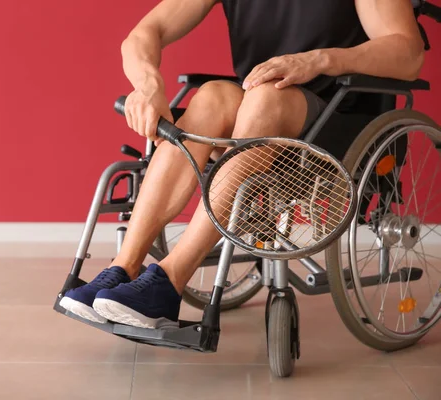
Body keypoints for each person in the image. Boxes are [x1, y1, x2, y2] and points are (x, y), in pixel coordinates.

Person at [59, 0, 425, 329]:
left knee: (264, 98)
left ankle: (170, 280)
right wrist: (149, 85)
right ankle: (123, 268)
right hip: (255, 115)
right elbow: (143, 34)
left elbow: (408, 52)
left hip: (339, 114)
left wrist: (318, 59)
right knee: (213, 96)